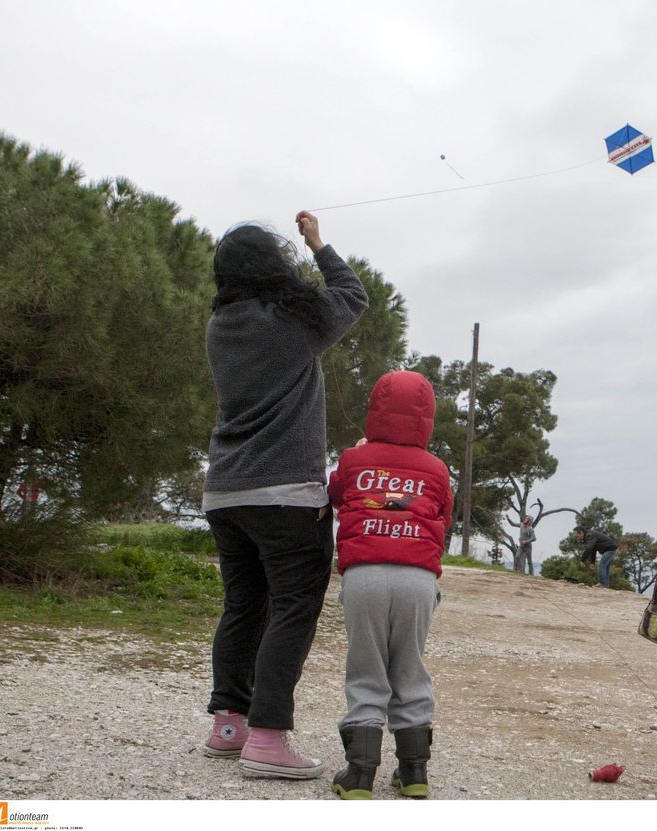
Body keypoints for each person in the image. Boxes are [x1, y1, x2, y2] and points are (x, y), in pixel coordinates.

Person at [200, 212, 369, 778]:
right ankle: (268, 741)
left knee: (244, 606)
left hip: (224, 491)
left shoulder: (219, 327)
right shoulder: (294, 320)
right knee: (292, 610)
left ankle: (230, 724)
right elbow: (353, 294)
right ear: (275, 265)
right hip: (286, 494)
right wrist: (318, 245)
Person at [325, 371, 453, 799]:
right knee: (409, 667)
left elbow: (336, 494)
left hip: (365, 576)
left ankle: (359, 775)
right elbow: (443, 518)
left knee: (367, 668)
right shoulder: (437, 468)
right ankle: (414, 772)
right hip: (418, 578)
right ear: (427, 418)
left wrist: (361, 460)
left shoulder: (352, 458)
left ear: (374, 410)